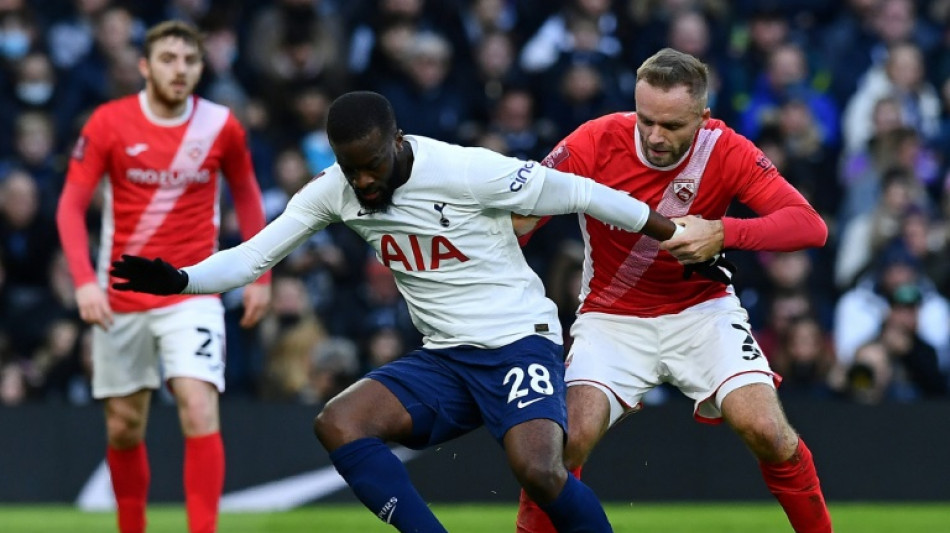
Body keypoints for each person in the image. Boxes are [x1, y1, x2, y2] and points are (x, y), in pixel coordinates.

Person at [109, 90, 693, 533]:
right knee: (338, 423)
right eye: (349, 167)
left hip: (518, 339)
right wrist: (181, 280)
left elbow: (583, 193)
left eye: (371, 165)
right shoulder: (334, 189)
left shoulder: (467, 170)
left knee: (538, 471)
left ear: (396, 140)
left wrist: (676, 237)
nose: (362, 181)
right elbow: (255, 256)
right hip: (445, 358)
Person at [514, 48, 833, 533]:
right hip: (611, 317)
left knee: (768, 431)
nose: (655, 136)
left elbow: (810, 227)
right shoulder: (595, 139)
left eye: (672, 126)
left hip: (703, 311)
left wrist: (723, 232)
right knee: (564, 445)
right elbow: (523, 217)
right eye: (646, 120)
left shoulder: (727, 149)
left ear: (703, 117)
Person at [55, 21, 272, 533]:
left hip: (190, 289)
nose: (181, 70)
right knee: (124, 426)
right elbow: (69, 207)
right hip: (122, 293)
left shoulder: (221, 125)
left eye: (190, 61)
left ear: (202, 67)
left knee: (198, 406)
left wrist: (259, 276)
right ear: (145, 67)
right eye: (169, 59)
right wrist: (84, 280)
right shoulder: (108, 123)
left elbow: (247, 196)